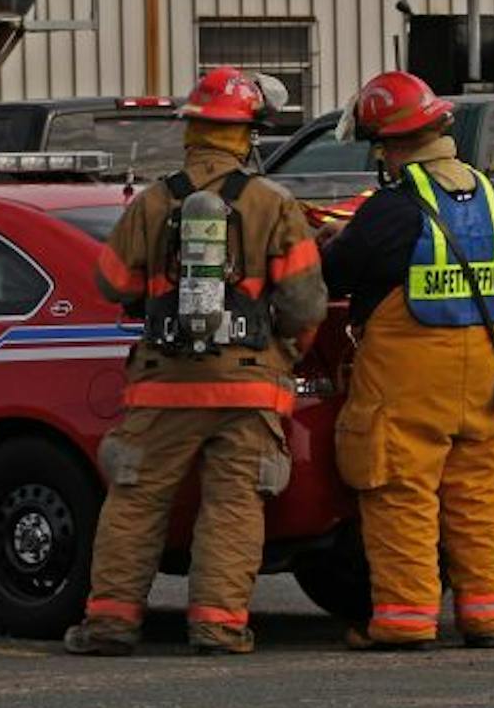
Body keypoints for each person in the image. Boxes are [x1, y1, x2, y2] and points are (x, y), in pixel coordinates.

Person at [64, 67, 326, 657]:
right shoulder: (274, 204)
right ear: (249, 134)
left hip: (163, 385)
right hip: (249, 388)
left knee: (134, 500)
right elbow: (305, 303)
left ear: (192, 130)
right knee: (234, 506)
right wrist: (279, 354)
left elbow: (110, 283)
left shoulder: (154, 201)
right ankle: (217, 626)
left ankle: (109, 624)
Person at [320, 70, 494, 650]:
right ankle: (486, 615)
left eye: (379, 144)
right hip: (481, 369)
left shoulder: (395, 206)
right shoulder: (487, 192)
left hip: (408, 377)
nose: (379, 155)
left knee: (401, 490)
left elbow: (338, 272)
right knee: (477, 494)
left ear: (395, 143)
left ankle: (405, 620)